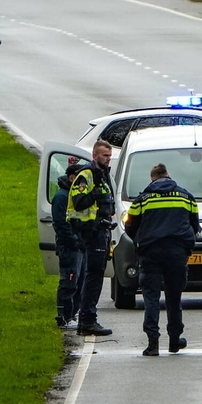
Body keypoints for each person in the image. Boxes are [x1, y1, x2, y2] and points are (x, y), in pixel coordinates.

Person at [124, 163, 199, 357]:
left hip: (150, 253)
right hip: (177, 253)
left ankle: (153, 344)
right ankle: (174, 341)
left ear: (152, 179)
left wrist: (140, 241)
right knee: (174, 297)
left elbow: (129, 226)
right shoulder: (186, 197)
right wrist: (185, 246)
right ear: (168, 175)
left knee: (151, 297)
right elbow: (195, 225)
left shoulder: (143, 199)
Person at [67, 140, 115, 337]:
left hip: (101, 231)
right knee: (93, 276)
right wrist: (94, 194)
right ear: (95, 155)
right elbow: (79, 202)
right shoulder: (87, 175)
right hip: (91, 232)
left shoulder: (102, 175)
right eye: (105, 155)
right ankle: (87, 320)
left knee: (95, 275)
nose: (108, 159)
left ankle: (86, 320)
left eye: (110, 156)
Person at [52, 163, 85, 330]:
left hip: (77, 246)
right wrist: (74, 241)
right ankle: (64, 316)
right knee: (69, 280)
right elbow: (61, 224)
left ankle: (72, 314)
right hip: (69, 247)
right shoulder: (62, 197)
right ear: (72, 177)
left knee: (78, 281)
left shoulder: (73, 195)